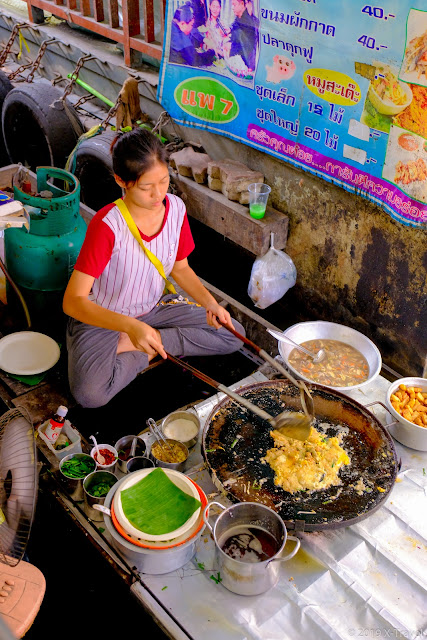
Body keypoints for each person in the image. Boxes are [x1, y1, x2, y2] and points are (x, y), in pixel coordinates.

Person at [63, 128, 244, 409]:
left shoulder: (176, 209)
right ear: (122, 181)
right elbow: (73, 302)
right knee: (90, 395)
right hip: (106, 318)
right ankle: (143, 346)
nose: (158, 193)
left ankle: (151, 341)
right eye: (147, 187)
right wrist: (129, 326)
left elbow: (181, 269)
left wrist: (211, 305)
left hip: (154, 308)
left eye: (163, 181)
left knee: (233, 334)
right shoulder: (107, 226)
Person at [225, 0, 258, 71]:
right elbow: (233, 26)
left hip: (245, 65)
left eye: (234, 5)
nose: (232, 8)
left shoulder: (249, 21)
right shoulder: (238, 18)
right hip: (236, 62)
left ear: (242, 4)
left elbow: (246, 46)